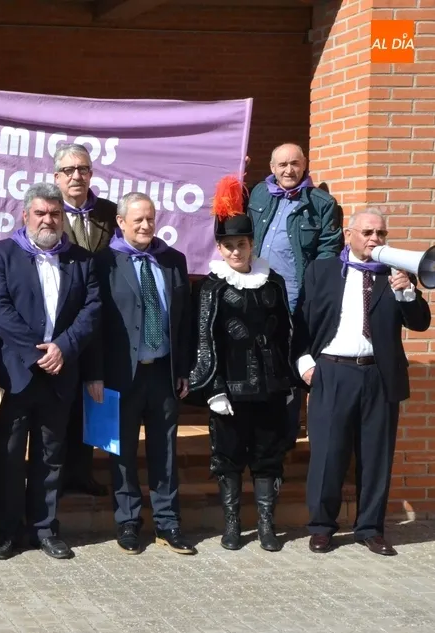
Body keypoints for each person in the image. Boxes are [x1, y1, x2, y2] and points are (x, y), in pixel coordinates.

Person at [294, 208, 431, 556]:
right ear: (349, 234)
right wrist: (305, 363)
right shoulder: (322, 271)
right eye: (368, 232)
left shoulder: (394, 274)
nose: (375, 239)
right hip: (332, 373)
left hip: (379, 376)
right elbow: (302, 323)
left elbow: (420, 323)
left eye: (381, 233)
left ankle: (370, 528)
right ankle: (323, 527)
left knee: (376, 456)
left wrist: (407, 293)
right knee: (328, 454)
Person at [0, 182, 101, 561]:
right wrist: (37, 353)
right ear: (25, 216)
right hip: (17, 373)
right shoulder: (2, 253)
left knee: (52, 454)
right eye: (40, 213)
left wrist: (62, 348)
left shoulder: (80, 259)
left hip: (61, 371)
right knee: (9, 455)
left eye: (54, 213)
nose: (48, 219)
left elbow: (93, 309)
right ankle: (5, 531)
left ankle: (45, 529)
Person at [188, 176, 296, 552]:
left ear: (252, 244)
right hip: (229, 391)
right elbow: (204, 339)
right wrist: (213, 388)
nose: (236, 251)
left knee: (268, 458)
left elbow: (285, 333)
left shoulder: (274, 282)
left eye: (242, 244)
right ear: (220, 248)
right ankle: (232, 526)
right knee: (229, 460)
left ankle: (266, 526)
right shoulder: (212, 288)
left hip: (269, 387)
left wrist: (287, 382)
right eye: (229, 245)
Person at [87, 192, 195, 556]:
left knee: (165, 451)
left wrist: (182, 369)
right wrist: (95, 374)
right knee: (122, 452)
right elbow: (95, 324)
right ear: (121, 222)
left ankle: (168, 522)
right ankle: (128, 521)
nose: (147, 225)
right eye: (138, 220)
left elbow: (184, 322)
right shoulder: (103, 263)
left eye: (150, 218)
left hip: (162, 373)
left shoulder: (173, 260)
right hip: (120, 375)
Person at [247, 143, 343, 450]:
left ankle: (285, 436)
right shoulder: (259, 194)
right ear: (272, 168)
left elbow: (328, 250)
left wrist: (317, 291)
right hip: (257, 295)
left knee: (290, 366)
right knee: (257, 360)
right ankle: (257, 431)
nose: (289, 170)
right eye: (282, 165)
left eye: (294, 164)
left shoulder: (321, 203)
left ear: (304, 165)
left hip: (294, 298)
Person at [53, 143, 117, 497]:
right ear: (57, 177)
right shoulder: (47, 210)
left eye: (83, 169)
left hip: (103, 317)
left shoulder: (110, 213)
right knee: (61, 399)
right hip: (64, 321)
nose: (76, 176)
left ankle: (82, 471)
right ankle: (57, 474)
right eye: (69, 170)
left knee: (92, 397)